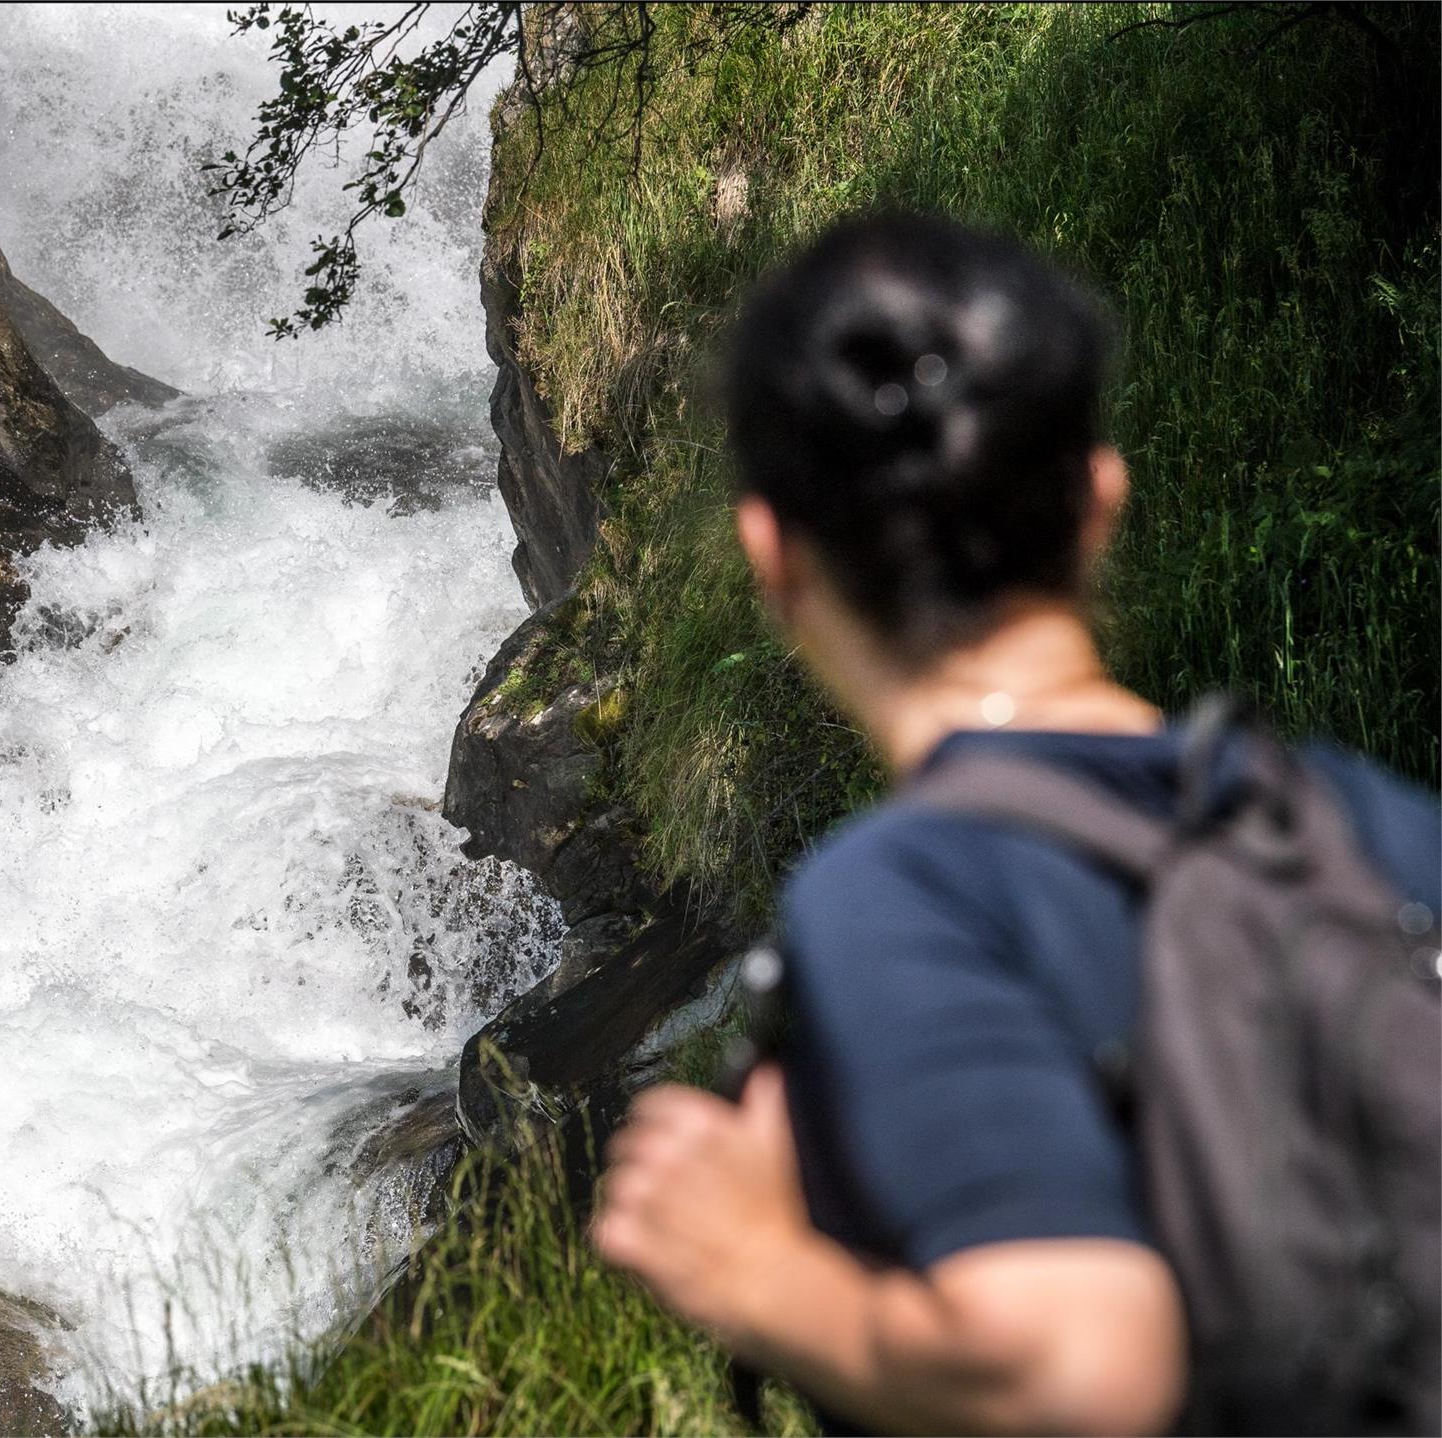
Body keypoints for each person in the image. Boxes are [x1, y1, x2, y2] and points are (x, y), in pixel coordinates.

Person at [590, 212, 1442, 1435]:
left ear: (773, 555)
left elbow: (1077, 1367)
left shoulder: (908, 889)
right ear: (1098, 500)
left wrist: (754, 1271)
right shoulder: (1362, 817)